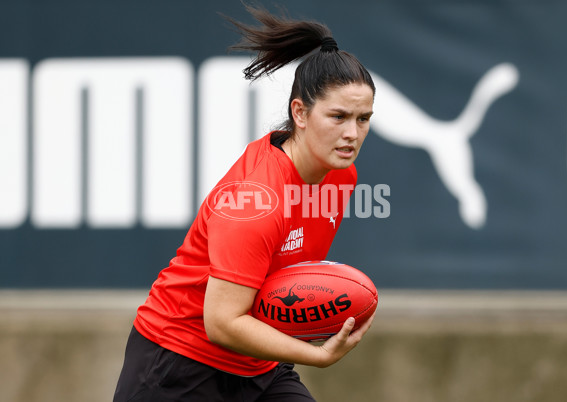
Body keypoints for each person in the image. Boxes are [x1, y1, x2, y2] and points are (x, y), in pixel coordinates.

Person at [113, 3, 376, 401]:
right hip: (182, 361)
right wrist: (315, 355)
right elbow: (221, 323)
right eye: (338, 116)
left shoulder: (341, 175)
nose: (352, 134)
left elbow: (282, 284)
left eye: (363, 118)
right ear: (300, 113)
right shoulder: (255, 200)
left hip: (257, 365)